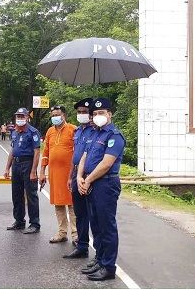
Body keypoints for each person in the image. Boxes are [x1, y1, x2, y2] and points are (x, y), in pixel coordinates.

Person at [77, 98, 125, 281]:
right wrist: (80, 177)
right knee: (95, 225)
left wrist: (87, 180)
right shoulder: (94, 133)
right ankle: (100, 258)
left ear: (110, 114)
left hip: (105, 184)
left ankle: (108, 266)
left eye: (101, 113)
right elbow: (84, 156)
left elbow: (106, 164)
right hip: (90, 183)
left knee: (107, 226)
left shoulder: (114, 135)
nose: (97, 117)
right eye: (95, 114)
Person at [40, 105, 77, 244]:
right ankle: (62, 233)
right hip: (54, 174)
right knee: (58, 203)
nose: (55, 117)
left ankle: (76, 234)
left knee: (72, 204)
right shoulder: (50, 131)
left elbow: (78, 152)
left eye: (57, 115)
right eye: (53, 115)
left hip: (69, 174)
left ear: (64, 115)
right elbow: (46, 153)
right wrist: (42, 172)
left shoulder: (73, 130)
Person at [63, 98, 95, 260]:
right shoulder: (77, 131)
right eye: (79, 112)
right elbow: (75, 156)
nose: (81, 115)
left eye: (85, 112)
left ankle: (99, 253)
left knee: (93, 213)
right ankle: (82, 245)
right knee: (80, 212)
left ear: (91, 115)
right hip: (76, 174)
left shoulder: (95, 131)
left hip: (90, 176)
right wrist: (70, 177)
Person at [4, 107, 41, 234]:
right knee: (16, 194)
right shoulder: (14, 132)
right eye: (18, 117)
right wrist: (7, 168)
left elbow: (37, 153)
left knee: (31, 195)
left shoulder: (33, 132)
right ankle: (19, 221)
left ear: (27, 118)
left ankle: (34, 223)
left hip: (28, 163)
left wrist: (33, 171)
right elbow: (12, 151)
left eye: (22, 117)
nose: (20, 119)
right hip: (16, 164)